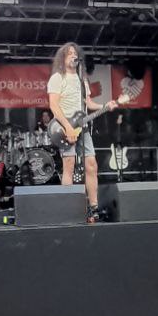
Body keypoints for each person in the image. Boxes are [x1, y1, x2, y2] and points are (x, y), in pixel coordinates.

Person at [47, 43, 116, 223]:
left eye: (75, 54)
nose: (73, 56)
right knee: (69, 165)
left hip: (82, 128)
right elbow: (53, 105)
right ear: (63, 58)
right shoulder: (57, 78)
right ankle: (67, 207)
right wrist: (68, 127)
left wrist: (105, 106)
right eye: (69, 53)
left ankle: (93, 208)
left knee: (91, 165)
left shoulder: (81, 79)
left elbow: (88, 103)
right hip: (64, 127)